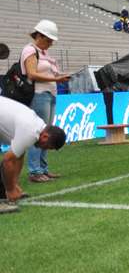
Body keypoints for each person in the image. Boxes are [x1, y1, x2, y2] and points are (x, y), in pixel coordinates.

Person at [20, 20, 70, 183]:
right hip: (39, 94)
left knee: (47, 135)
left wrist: (59, 77)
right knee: (39, 134)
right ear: (39, 35)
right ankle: (35, 171)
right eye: (48, 40)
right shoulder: (30, 50)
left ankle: (43, 169)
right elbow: (32, 74)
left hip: (50, 94)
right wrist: (56, 78)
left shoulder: (44, 54)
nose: (50, 44)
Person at [0, 96, 67, 212]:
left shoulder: (38, 125)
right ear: (45, 136)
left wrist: (14, 185)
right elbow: (8, 160)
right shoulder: (31, 132)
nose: (44, 149)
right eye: (47, 147)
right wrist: (10, 190)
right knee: (8, 161)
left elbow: (19, 155)